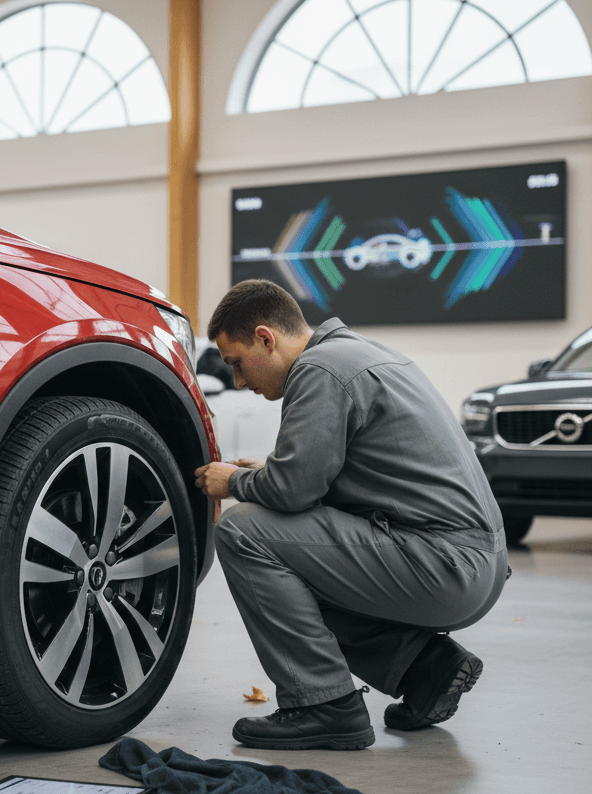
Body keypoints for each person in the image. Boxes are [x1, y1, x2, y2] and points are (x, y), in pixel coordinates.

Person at [194, 280, 508, 751]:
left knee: (244, 532)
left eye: (237, 363)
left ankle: (323, 705)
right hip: (474, 561)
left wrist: (233, 483)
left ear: (266, 337)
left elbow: (294, 491)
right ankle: (426, 670)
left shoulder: (319, 370)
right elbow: (350, 476)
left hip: (446, 565)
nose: (238, 381)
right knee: (292, 562)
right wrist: (269, 473)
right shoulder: (357, 354)